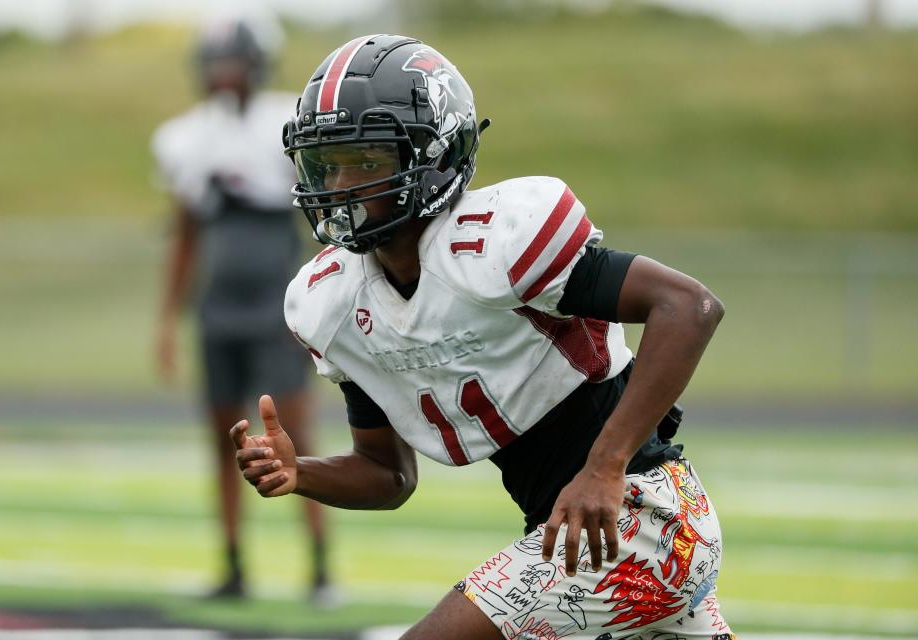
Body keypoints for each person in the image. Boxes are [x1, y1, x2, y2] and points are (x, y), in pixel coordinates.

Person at [231, 34, 734, 638]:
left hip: (637, 518)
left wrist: (605, 464)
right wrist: (302, 472)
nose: (340, 183)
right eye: (327, 162)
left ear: (434, 155)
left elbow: (689, 305)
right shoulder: (331, 301)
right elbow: (387, 475)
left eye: (367, 161)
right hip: (584, 529)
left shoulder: (499, 241)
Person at [151, 16, 333, 602]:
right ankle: (233, 564)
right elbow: (185, 233)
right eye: (217, 63)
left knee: (295, 433)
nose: (225, 75)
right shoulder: (184, 136)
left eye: (234, 62)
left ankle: (320, 565)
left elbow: (321, 216)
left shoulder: (287, 121)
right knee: (224, 438)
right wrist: (167, 320)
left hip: (278, 302)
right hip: (218, 307)